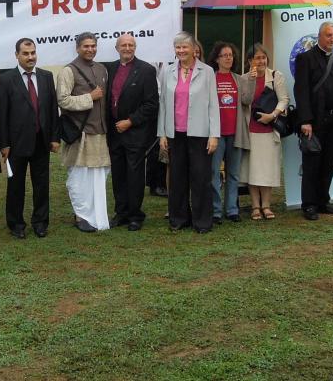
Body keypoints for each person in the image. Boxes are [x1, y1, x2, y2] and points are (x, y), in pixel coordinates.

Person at [0, 38, 61, 239]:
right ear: (17, 55)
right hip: (16, 144)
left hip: (41, 140)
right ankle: (16, 224)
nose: (30, 57)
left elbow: (52, 109)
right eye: (25, 53)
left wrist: (54, 137)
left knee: (41, 185)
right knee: (16, 185)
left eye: (33, 52)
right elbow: (2, 114)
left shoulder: (46, 76)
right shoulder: (6, 79)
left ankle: (40, 222)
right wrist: (4, 143)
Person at [157, 32, 220, 233]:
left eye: (185, 47)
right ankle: (179, 218)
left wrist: (214, 135)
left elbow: (213, 105)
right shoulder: (167, 71)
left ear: (194, 49)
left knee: (201, 178)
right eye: (178, 47)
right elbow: (163, 104)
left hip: (200, 133)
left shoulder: (207, 71)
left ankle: (202, 221)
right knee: (177, 178)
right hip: (175, 133)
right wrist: (162, 134)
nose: (181, 51)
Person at [293, 22, 333, 221]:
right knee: (312, 164)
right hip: (315, 122)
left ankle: (323, 200)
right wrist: (305, 120)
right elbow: (301, 91)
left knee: (328, 163)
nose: (332, 39)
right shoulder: (305, 59)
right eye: (329, 35)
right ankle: (309, 204)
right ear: (320, 36)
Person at [57, 32, 111, 232]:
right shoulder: (68, 71)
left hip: (100, 132)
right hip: (80, 132)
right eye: (86, 46)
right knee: (80, 177)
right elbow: (62, 100)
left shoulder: (102, 69)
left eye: (93, 46)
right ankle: (81, 216)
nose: (90, 49)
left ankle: (97, 214)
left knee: (98, 176)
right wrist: (90, 97)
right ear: (78, 48)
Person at [105, 34, 159, 231]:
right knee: (118, 174)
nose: (127, 48)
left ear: (135, 47)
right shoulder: (109, 69)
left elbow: (152, 104)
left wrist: (130, 121)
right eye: (124, 45)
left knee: (134, 174)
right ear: (116, 47)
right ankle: (121, 212)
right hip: (114, 133)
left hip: (134, 132)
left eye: (131, 45)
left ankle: (136, 215)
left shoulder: (146, 70)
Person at [206, 41, 250, 224]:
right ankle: (216, 211)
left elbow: (247, 100)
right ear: (216, 59)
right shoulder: (210, 79)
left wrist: (252, 80)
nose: (228, 58)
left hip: (235, 133)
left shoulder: (239, 79)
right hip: (216, 134)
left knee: (233, 174)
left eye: (230, 55)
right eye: (224, 55)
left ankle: (232, 209)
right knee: (214, 173)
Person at [244, 44, 288, 221]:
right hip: (250, 131)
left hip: (270, 130)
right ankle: (255, 206)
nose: (261, 61)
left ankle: (266, 205)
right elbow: (243, 101)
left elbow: (284, 99)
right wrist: (250, 81)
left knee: (267, 169)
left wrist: (272, 115)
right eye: (257, 58)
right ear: (249, 61)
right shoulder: (244, 78)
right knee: (253, 170)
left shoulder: (276, 76)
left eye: (263, 57)